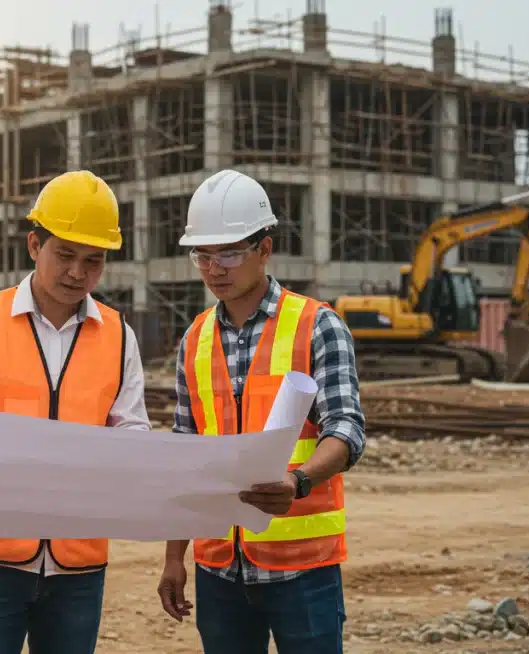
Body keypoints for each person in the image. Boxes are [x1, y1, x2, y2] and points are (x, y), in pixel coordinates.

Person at [0, 169, 152, 654]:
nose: (77, 273)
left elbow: (133, 435)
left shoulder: (118, 336)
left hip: (79, 567)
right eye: (65, 255)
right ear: (34, 245)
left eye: (93, 261)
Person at [156, 169, 366, 654]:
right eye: (202, 256)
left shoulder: (317, 325)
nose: (214, 268)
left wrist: (298, 481)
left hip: (302, 567)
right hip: (218, 569)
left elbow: (347, 428)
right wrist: (173, 557)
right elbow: (184, 450)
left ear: (264, 250)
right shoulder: (195, 338)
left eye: (229, 253)